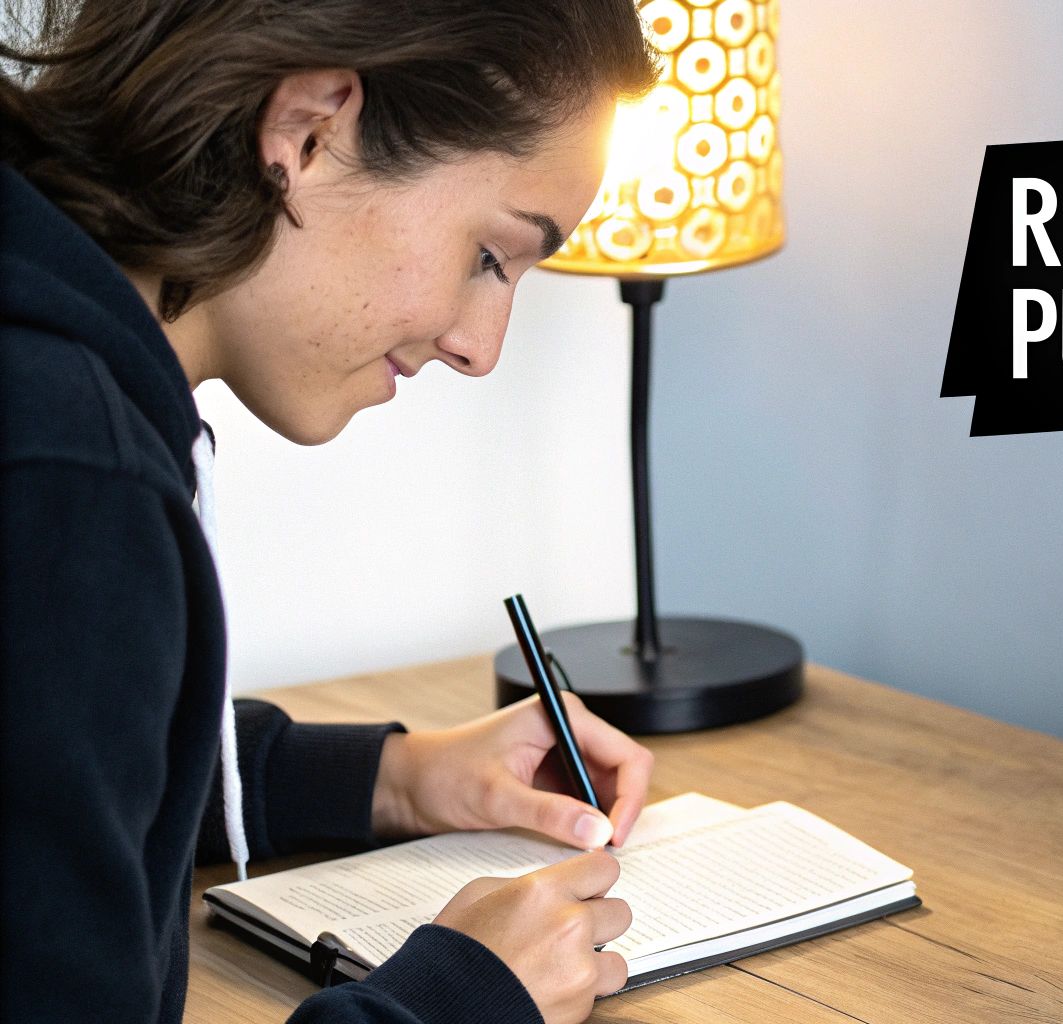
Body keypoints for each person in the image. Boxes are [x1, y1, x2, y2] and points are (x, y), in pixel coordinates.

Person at [1, 3, 665, 1022]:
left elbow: (56, 784)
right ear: (309, 133)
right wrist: (457, 998)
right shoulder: (67, 476)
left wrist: (391, 778)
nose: (482, 346)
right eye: (493, 255)